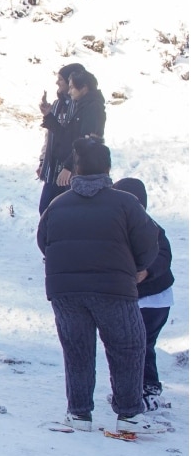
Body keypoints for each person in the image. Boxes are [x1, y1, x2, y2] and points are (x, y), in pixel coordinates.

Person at [37, 138, 158, 434]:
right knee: (127, 347)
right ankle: (129, 415)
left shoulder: (57, 204)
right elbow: (148, 243)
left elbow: (44, 242)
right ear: (107, 167)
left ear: (77, 168)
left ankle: (79, 414)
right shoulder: (126, 202)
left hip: (66, 291)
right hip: (113, 287)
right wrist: (137, 267)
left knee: (77, 349)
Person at [112, 178, 174, 412]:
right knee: (133, 345)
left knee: (143, 344)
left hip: (155, 300)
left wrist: (147, 271)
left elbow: (164, 256)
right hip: (132, 300)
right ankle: (134, 387)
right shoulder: (115, 228)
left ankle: (149, 388)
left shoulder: (151, 227)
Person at [37, 63, 82, 214]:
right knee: (45, 210)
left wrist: (70, 166)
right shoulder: (56, 105)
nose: (57, 83)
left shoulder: (80, 108)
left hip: (71, 171)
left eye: (61, 79)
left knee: (68, 212)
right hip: (53, 168)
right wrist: (43, 161)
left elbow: (77, 140)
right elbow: (49, 137)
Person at [55, 68, 106, 189]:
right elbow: (69, 136)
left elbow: (87, 141)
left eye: (72, 87)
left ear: (84, 87)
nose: (69, 92)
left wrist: (68, 166)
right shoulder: (84, 105)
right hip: (77, 165)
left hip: (83, 168)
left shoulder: (93, 107)